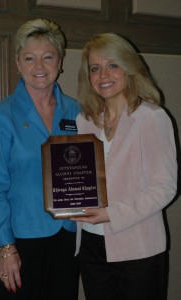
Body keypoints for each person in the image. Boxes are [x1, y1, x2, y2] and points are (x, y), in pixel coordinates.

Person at [71, 33, 177, 300]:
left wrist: (110, 214)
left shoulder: (152, 118)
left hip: (138, 247)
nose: (103, 74)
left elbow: (164, 187)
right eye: (95, 68)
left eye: (112, 65)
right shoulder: (84, 121)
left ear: (129, 68)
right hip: (91, 246)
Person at [0, 18, 80, 300]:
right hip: (20, 241)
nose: (39, 66)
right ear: (18, 63)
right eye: (30, 58)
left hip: (67, 234)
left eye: (47, 57)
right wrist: (5, 248)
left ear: (60, 62)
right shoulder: (3, 114)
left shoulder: (76, 111)